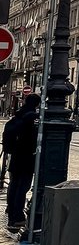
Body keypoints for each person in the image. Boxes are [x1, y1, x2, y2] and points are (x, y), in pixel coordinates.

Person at [2, 92, 40, 230]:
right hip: (27, 157)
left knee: (14, 184)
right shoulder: (32, 117)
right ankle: (17, 217)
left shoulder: (18, 114)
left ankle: (11, 212)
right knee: (22, 187)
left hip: (16, 156)